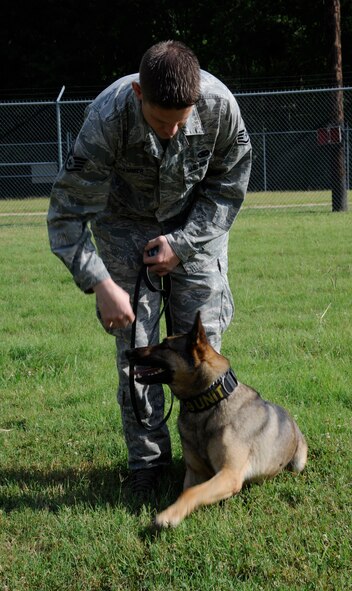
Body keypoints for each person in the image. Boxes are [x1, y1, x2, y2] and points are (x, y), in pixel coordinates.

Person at [47, 40, 252, 500]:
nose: (173, 133)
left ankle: (203, 457)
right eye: (162, 123)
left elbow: (228, 189)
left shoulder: (220, 107)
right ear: (139, 94)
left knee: (203, 349)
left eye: (182, 122)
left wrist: (182, 244)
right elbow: (65, 215)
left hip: (196, 229)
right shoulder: (106, 119)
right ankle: (148, 464)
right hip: (125, 226)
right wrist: (100, 283)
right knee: (139, 353)